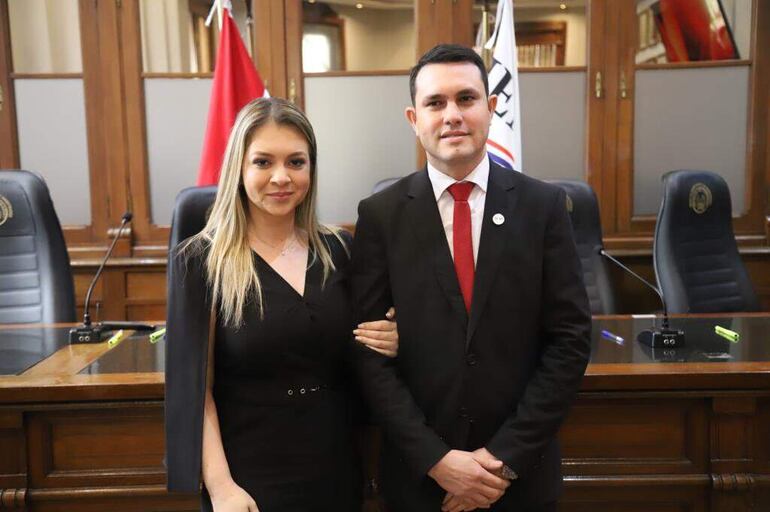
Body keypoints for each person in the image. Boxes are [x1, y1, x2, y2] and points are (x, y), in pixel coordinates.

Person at [350, 44, 592, 512]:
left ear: (492, 107)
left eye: (466, 98)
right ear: (412, 117)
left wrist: (502, 459)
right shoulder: (380, 216)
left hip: (521, 480)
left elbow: (571, 340)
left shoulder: (543, 208)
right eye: (435, 103)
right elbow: (368, 354)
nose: (452, 115)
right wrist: (437, 460)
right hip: (422, 483)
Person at [164, 97, 399, 512]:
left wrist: (394, 337)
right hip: (248, 479)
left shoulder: (339, 249)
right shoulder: (200, 261)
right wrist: (221, 489)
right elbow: (194, 389)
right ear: (238, 168)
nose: (281, 177)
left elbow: (364, 348)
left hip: (335, 467)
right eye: (262, 162)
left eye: (295, 162)